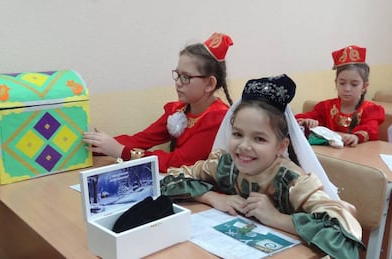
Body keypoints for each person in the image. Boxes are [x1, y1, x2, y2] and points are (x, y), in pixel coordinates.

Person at [161, 75, 364, 258]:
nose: (244, 146)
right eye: (237, 134)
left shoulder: (293, 181)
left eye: (259, 138)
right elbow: (168, 180)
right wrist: (211, 197)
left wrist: (277, 218)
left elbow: (343, 232)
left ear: (281, 146)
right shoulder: (224, 165)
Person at [83, 32, 234, 173]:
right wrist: (96, 146)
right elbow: (141, 139)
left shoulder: (217, 119)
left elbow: (176, 162)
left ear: (209, 84)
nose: (178, 83)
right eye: (177, 74)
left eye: (186, 77)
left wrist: (119, 151)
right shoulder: (179, 109)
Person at [295, 45, 385, 146]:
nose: (347, 89)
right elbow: (303, 118)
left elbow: (370, 129)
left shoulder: (370, 110)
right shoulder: (326, 107)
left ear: (364, 86)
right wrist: (307, 122)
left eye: (354, 84)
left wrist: (356, 137)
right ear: (336, 82)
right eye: (342, 83)